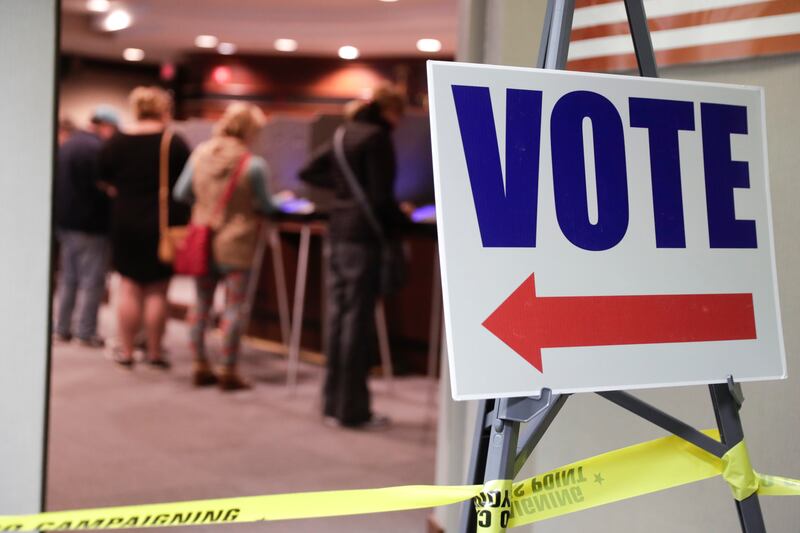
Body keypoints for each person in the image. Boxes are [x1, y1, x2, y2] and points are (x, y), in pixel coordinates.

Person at [299, 87, 409, 428]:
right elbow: (380, 198)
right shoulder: (377, 138)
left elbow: (309, 171)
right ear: (390, 110)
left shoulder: (343, 133)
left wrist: (344, 192)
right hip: (363, 240)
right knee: (357, 324)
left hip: (338, 233)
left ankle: (332, 403)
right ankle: (353, 410)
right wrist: (403, 218)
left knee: (339, 318)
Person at [173, 103, 277, 391]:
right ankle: (228, 369)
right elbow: (267, 204)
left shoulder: (199, 155)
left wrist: (205, 205)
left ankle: (199, 364)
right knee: (234, 307)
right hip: (237, 242)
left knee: (201, 303)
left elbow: (180, 193)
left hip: (203, 239)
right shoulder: (252, 164)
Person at [99, 87, 191, 368]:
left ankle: (126, 351)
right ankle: (154, 351)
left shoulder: (117, 140)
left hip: (125, 220)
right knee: (157, 290)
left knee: (128, 286)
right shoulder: (172, 142)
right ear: (164, 109)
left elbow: (103, 178)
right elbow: (185, 186)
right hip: (160, 225)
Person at [53, 106, 119, 347]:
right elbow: (103, 188)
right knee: (92, 281)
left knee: (68, 278)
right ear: (107, 126)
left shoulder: (68, 144)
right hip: (91, 225)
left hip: (64, 222)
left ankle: (61, 327)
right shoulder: (97, 149)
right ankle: (85, 331)